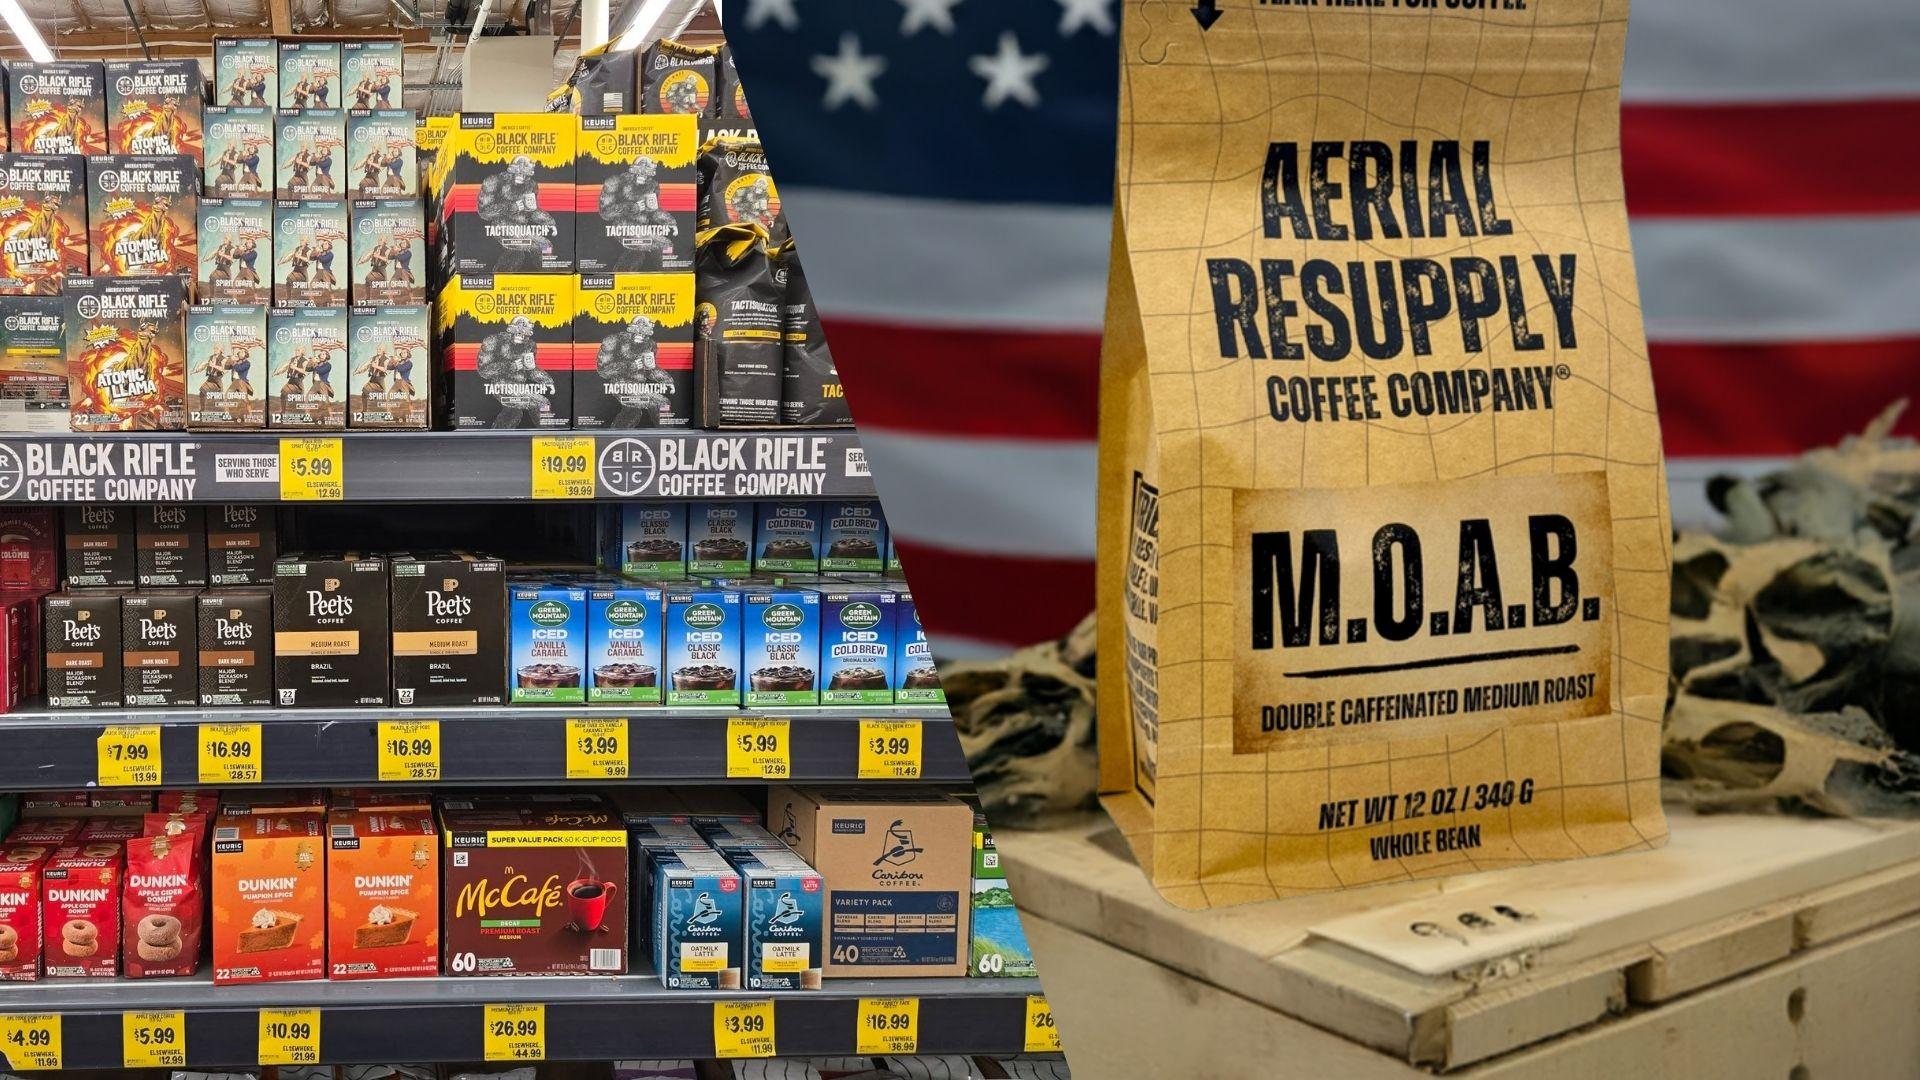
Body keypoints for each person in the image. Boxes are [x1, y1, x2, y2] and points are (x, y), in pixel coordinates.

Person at [476, 155, 555, 258]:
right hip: (501, 227)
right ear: (511, 170)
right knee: (545, 245)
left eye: (524, 174)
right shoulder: (494, 181)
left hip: (521, 228)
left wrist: (549, 222)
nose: (521, 176)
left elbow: (531, 209)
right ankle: (548, 270)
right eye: (518, 172)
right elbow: (484, 212)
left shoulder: (531, 185)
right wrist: (513, 207)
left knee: (515, 257)